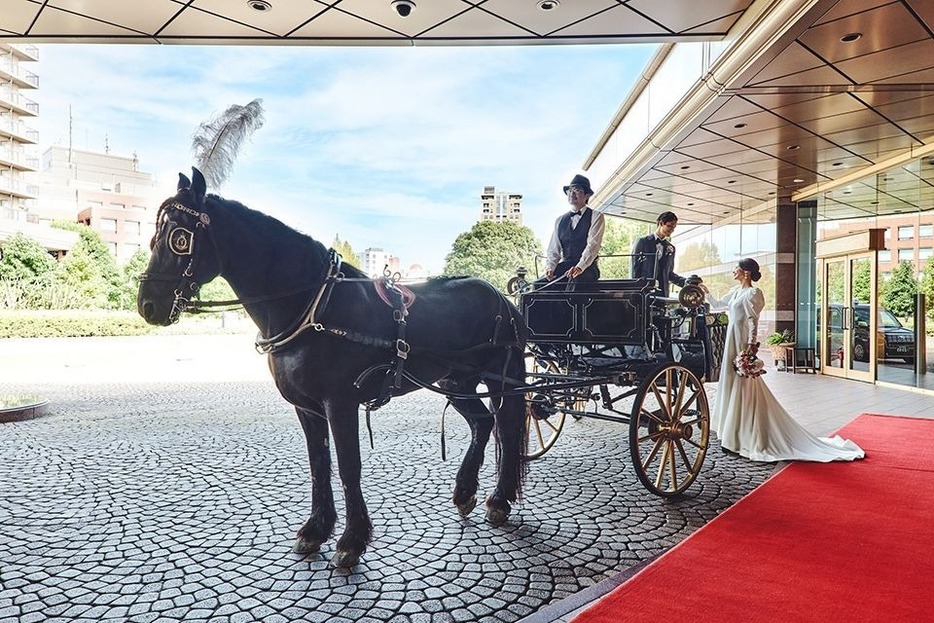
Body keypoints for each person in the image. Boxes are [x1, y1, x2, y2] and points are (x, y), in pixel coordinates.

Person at [705, 258, 865, 462]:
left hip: (741, 341)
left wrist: (751, 349)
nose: (732, 271)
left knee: (743, 388)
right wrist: (705, 291)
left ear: (745, 272)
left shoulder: (753, 294)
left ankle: (740, 438)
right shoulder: (735, 292)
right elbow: (718, 305)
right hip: (731, 340)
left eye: (735, 268)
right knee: (732, 384)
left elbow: (754, 322)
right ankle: (731, 434)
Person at [541, 174, 605, 286]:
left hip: (588, 267)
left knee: (575, 281)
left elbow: (593, 246)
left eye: (577, 190)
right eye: (570, 191)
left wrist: (580, 267)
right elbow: (553, 250)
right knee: (539, 284)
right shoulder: (559, 220)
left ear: (587, 195)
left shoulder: (596, 216)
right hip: (565, 265)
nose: (572, 194)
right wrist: (550, 268)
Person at [631, 211, 685, 297]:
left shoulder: (671, 248)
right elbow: (635, 270)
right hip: (645, 293)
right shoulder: (643, 242)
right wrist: (636, 293)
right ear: (661, 223)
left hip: (663, 294)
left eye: (674, 227)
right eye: (669, 226)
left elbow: (669, 274)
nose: (672, 230)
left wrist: (686, 282)